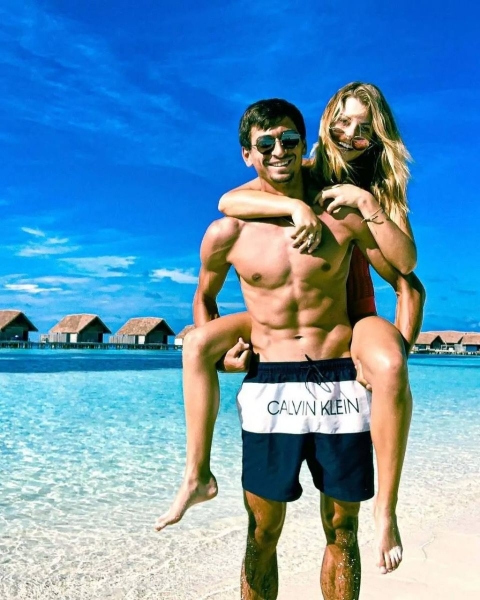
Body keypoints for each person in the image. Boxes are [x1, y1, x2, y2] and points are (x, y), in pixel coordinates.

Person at [156, 86, 425, 581]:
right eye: (265, 144)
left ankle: (386, 512)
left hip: (339, 366)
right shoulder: (229, 229)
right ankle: (197, 473)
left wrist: (392, 360)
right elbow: (208, 281)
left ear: (304, 145)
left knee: (342, 529)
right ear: (248, 154)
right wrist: (222, 354)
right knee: (261, 531)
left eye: (287, 141)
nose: (278, 151)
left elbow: (407, 276)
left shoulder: (350, 209)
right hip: (271, 376)